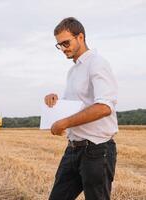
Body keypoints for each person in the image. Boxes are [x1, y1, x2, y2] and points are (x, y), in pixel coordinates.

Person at [45, 17, 118, 200]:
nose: (63, 48)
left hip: (96, 150)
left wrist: (64, 122)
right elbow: (78, 106)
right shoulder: (73, 71)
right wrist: (55, 101)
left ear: (80, 37)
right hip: (73, 149)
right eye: (59, 45)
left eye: (66, 42)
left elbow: (104, 107)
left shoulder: (97, 63)